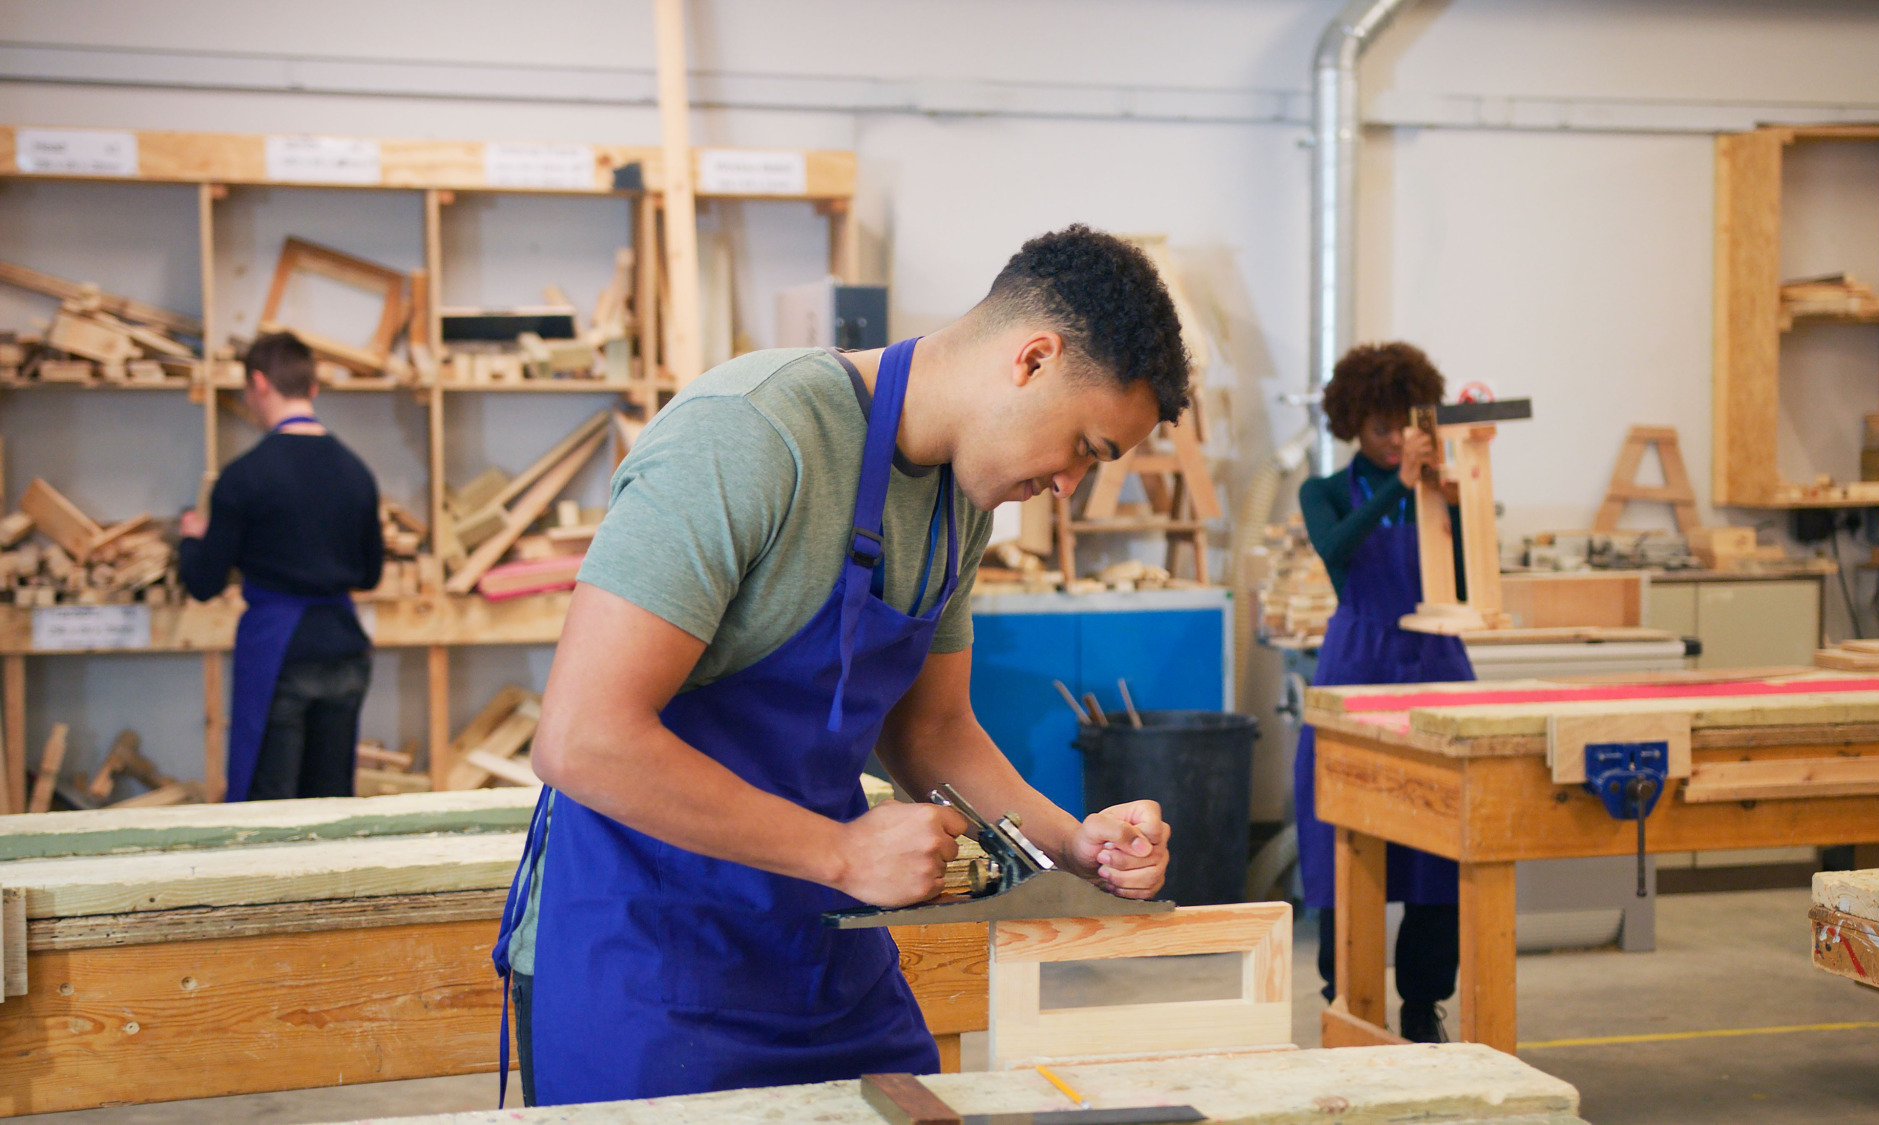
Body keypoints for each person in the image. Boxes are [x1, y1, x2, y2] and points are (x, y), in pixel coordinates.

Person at [493, 225, 1183, 1106]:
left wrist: (1072, 843)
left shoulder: (960, 500)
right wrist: (840, 852)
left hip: (819, 942)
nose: (1069, 485)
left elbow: (932, 731)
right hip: (650, 952)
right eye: (1086, 446)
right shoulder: (748, 433)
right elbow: (582, 738)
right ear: (1033, 359)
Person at [1294, 341, 1469, 1043]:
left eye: (1406, 425)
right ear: (1353, 425)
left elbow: (1465, 578)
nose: (1396, 439)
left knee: (1443, 843)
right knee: (1343, 835)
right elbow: (1336, 547)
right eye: (1381, 428)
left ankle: (1424, 1006)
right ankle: (1348, 1000)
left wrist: (1458, 503)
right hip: (1357, 664)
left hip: (1436, 659)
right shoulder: (1325, 491)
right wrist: (1402, 482)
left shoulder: (1436, 491)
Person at [179, 331, 384, 802]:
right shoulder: (356, 472)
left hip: (280, 652)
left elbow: (204, 583)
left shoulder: (244, 476)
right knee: (331, 802)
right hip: (345, 647)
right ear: (312, 387)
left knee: (270, 807)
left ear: (258, 383)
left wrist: (192, 540)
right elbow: (371, 574)